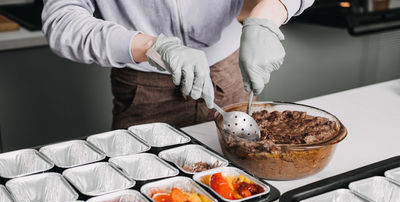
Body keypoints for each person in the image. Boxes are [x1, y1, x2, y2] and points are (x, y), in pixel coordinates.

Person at [42, 0, 313, 129]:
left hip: (229, 74)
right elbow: (63, 21)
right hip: (145, 91)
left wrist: (267, 15)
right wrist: (153, 47)